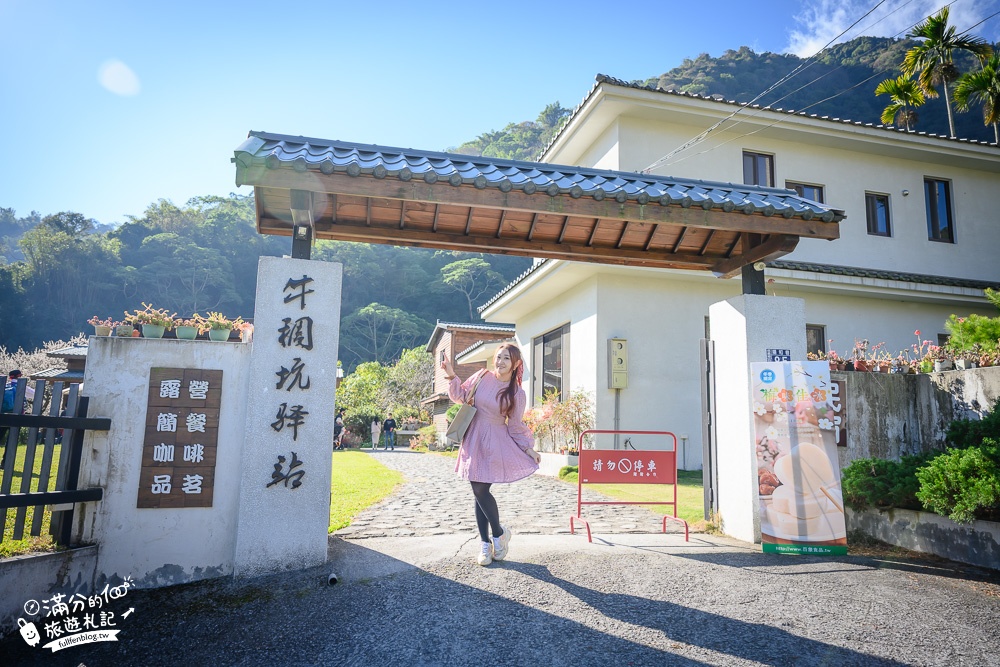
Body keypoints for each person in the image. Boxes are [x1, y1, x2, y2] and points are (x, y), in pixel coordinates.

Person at [442, 343, 541, 566]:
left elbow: (515, 425)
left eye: (506, 358)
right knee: (479, 490)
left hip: (495, 442)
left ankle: (494, 537)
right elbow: (461, 396)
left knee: (480, 490)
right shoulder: (481, 376)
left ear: (516, 364)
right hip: (474, 437)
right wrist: (450, 375)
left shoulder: (516, 393)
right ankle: (490, 541)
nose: (500, 362)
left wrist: (528, 448)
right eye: (498, 357)